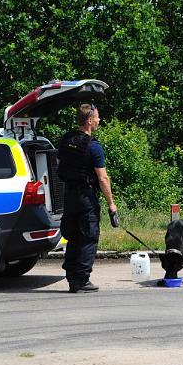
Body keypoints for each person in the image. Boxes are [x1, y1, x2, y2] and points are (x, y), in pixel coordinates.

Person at [57, 104, 119, 293]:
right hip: (86, 197)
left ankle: (72, 278)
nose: (100, 120)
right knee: (88, 237)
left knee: (73, 236)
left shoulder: (66, 140)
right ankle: (81, 280)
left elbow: (59, 165)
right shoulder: (93, 147)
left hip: (69, 196)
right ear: (90, 121)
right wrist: (111, 204)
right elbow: (102, 178)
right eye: (98, 117)